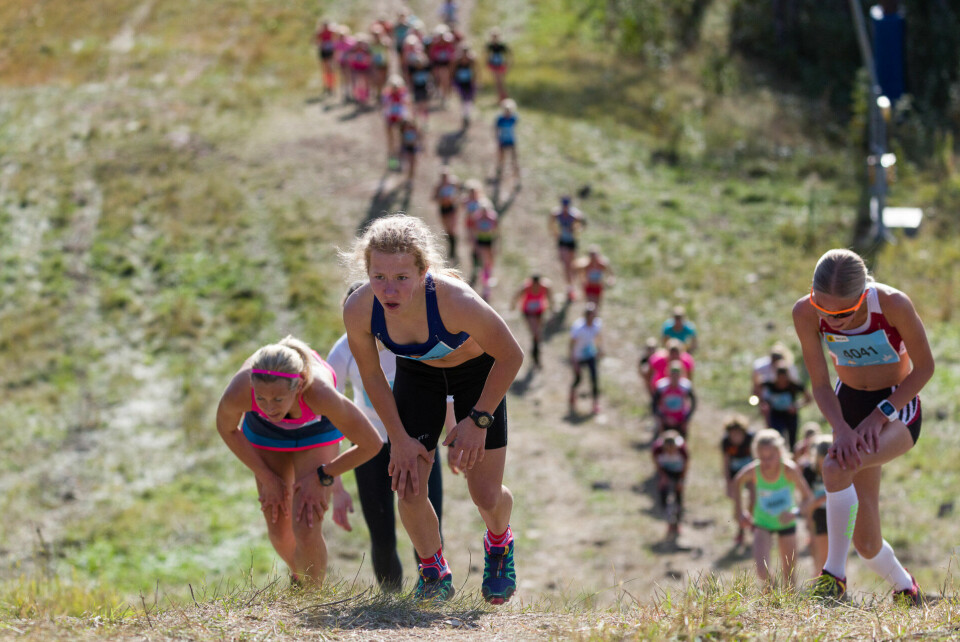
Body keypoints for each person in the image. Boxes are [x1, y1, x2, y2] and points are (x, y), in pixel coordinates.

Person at [341, 214, 522, 604]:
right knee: (407, 485)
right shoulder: (359, 308)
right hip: (418, 374)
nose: (389, 289)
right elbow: (371, 375)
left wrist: (478, 420)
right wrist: (398, 439)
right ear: (367, 272)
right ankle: (433, 571)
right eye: (378, 276)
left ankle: (499, 542)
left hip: (476, 374)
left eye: (401, 277)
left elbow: (511, 355)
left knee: (485, 494)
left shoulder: (454, 301)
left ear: (424, 272)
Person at [793, 248, 932, 604]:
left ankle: (833, 576)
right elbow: (820, 384)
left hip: (896, 405)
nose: (832, 320)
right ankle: (907, 589)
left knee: (835, 467)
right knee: (867, 543)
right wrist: (840, 427)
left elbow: (925, 368)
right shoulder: (805, 312)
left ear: (863, 294)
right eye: (823, 309)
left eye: (843, 313)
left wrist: (881, 414)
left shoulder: (892, 304)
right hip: (849, 406)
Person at [215, 336, 382, 586]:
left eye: (278, 399)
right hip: (265, 432)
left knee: (306, 525)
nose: (269, 407)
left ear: (299, 385)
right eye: (261, 398)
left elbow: (372, 443)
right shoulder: (240, 390)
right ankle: (302, 579)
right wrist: (267, 477)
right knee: (278, 528)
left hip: (315, 430)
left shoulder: (320, 393)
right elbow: (226, 428)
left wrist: (324, 475)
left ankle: (313, 599)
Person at [326, 286, 445, 591]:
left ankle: (433, 591)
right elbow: (330, 417)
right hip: (371, 450)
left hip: (418, 444)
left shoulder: (413, 339)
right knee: (382, 537)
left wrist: (456, 437)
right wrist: (335, 483)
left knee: (429, 529)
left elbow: (445, 387)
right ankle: (391, 604)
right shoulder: (342, 351)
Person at [731, 429, 814, 588]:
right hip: (762, 523)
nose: (766, 462)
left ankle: (786, 600)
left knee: (789, 577)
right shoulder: (754, 470)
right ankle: (773, 591)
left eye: (771, 457)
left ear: (780, 453)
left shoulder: (789, 470)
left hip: (786, 524)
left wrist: (794, 512)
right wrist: (739, 512)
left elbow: (808, 498)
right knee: (762, 572)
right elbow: (737, 481)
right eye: (762, 458)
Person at [721, 414, 756, 547]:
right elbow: (726, 462)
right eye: (732, 434)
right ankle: (740, 530)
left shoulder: (751, 438)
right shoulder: (726, 442)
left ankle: (752, 522)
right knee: (737, 503)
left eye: (738, 434)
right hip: (735, 474)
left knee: (753, 498)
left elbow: (756, 458)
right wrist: (728, 483)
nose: (735, 437)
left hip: (750, 473)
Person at [759, 365, 812, 450]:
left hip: (790, 415)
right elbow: (758, 386)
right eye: (779, 378)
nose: (781, 381)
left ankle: (792, 453)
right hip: (776, 414)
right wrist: (762, 402)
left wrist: (796, 406)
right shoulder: (770, 385)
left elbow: (809, 398)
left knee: (792, 438)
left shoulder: (794, 385)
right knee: (777, 434)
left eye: (783, 377)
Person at [801, 434, 833, 577]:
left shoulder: (841, 469)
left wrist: (820, 500)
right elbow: (806, 500)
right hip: (818, 516)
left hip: (836, 514)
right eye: (822, 462)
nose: (825, 466)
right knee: (820, 555)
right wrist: (808, 522)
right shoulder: (809, 472)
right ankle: (819, 582)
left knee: (837, 554)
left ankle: (837, 584)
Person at [463, 180, 499, 300]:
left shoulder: (490, 215)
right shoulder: (475, 216)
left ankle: (485, 277)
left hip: (488, 240)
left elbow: (495, 230)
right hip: (479, 239)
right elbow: (471, 225)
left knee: (488, 260)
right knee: (481, 258)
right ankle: (480, 273)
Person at [651, 430, 689, 539]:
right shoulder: (657, 450)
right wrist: (662, 477)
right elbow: (656, 463)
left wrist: (681, 480)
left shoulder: (683, 450)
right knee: (663, 497)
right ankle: (668, 522)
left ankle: (678, 523)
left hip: (678, 473)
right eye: (668, 449)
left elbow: (686, 465)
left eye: (673, 449)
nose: (671, 452)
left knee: (678, 498)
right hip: (665, 472)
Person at [512, 274, 553, 368]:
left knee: (538, 333)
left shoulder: (545, 287)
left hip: (539, 311)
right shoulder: (526, 287)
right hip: (528, 312)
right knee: (535, 333)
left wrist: (552, 307)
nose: (536, 287)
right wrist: (513, 305)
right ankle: (535, 355)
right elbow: (517, 295)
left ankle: (535, 350)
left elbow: (550, 296)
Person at [568, 303, 603, 415]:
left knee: (594, 378)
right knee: (578, 379)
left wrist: (599, 349)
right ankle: (572, 395)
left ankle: (595, 403)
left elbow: (598, 337)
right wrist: (573, 360)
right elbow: (571, 344)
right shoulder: (578, 328)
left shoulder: (597, 324)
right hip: (578, 356)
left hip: (590, 354)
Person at [550, 195, 586, 301]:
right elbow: (551, 223)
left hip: (571, 241)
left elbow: (582, 224)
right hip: (562, 241)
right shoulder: (557, 214)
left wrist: (576, 229)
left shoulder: (574, 215)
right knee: (566, 264)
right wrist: (555, 233)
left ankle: (573, 283)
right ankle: (570, 287)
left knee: (571, 264)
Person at [652, 361, 696, 437]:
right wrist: (660, 418)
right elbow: (654, 403)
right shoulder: (662, 386)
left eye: (677, 374)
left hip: (681, 420)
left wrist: (686, 419)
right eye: (672, 374)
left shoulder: (685, 386)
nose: (674, 377)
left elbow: (693, 403)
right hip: (665, 419)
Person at [382, 75, 410, 171]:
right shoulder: (387, 95)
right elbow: (385, 107)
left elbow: (406, 105)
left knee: (402, 141)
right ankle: (392, 162)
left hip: (400, 120)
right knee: (391, 142)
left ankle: (401, 161)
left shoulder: (403, 94)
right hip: (390, 119)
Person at [432, 169, 461, 260]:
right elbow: (434, 197)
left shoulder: (453, 184)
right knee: (447, 229)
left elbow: (458, 194)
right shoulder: (438, 186)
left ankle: (453, 250)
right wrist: (441, 199)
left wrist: (453, 199)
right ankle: (450, 247)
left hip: (451, 208)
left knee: (452, 229)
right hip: (443, 209)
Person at [494, 98, 520, 183]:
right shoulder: (500, 119)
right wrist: (497, 138)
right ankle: (499, 173)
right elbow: (496, 129)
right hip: (502, 140)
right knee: (501, 158)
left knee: (514, 158)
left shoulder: (513, 118)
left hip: (511, 140)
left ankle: (516, 175)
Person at [452, 45, 477, 128]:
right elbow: (453, 72)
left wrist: (475, 82)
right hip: (460, 83)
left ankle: (467, 114)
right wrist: (453, 83)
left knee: (469, 100)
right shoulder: (457, 61)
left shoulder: (472, 61)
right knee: (463, 100)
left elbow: (475, 72)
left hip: (469, 83)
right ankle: (464, 115)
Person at [314, 19, 338, 96]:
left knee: (331, 68)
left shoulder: (332, 31)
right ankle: (327, 86)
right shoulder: (320, 32)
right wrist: (320, 44)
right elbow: (316, 41)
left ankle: (332, 86)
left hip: (330, 51)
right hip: (324, 51)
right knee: (325, 69)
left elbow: (336, 39)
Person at [485, 28, 510, 100]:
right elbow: (487, 55)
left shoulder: (502, 45)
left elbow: (508, 55)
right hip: (493, 65)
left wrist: (507, 64)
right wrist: (487, 64)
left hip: (501, 64)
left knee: (502, 81)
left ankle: (504, 95)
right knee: (496, 82)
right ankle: (499, 96)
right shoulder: (490, 46)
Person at [398, 117, 421, 185]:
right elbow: (403, 142)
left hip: (413, 148)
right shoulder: (403, 132)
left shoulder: (414, 130)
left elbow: (418, 138)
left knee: (413, 164)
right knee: (408, 164)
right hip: (407, 148)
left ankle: (410, 179)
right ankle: (408, 177)